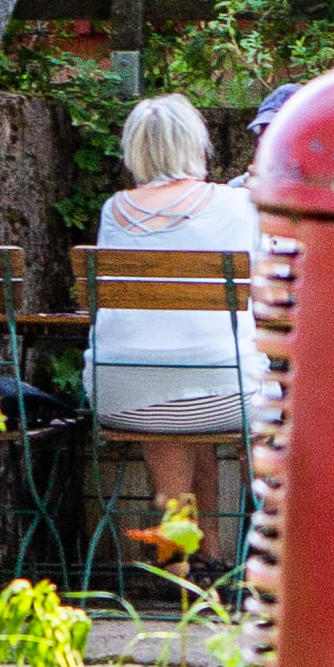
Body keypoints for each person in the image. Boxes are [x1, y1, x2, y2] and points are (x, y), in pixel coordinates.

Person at [80, 93, 260, 436]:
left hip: (120, 395)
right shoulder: (237, 204)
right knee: (214, 380)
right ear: (195, 144)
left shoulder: (113, 210)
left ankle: (169, 493)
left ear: (135, 149)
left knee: (162, 387)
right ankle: (246, 491)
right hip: (228, 393)